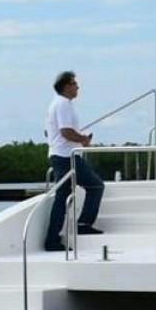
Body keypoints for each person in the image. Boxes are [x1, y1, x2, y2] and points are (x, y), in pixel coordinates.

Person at [42, 70, 104, 251]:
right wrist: (83, 140)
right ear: (66, 86)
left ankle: (53, 239)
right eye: (75, 84)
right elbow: (65, 131)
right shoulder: (62, 105)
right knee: (95, 186)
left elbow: (51, 132)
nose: (78, 87)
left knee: (62, 198)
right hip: (66, 157)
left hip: (62, 155)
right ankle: (80, 226)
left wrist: (78, 138)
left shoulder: (57, 104)